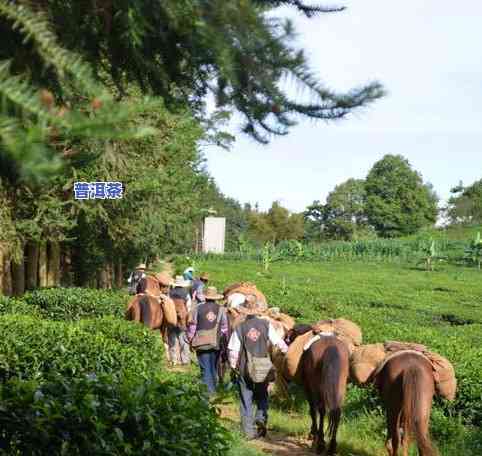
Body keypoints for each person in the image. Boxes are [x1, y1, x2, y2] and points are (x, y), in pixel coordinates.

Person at [228, 294, 288, 440]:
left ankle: (248, 432)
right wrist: (285, 352)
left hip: (245, 368)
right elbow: (280, 344)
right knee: (262, 395)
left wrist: (233, 366)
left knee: (245, 398)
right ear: (257, 309)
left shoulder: (240, 327)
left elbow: (233, 351)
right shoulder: (266, 325)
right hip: (263, 366)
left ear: (244, 310)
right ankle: (261, 417)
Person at [187, 286, 228, 396]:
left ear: (205, 297)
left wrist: (190, 339)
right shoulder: (221, 309)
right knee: (213, 366)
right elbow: (225, 328)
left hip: (201, 342)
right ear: (215, 298)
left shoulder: (198, 308)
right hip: (215, 342)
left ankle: (208, 392)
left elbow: (193, 326)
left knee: (205, 368)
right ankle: (213, 389)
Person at [168, 276, 192, 366]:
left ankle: (173, 359)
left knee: (172, 338)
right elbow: (189, 306)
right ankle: (184, 360)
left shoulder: (170, 292)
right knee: (183, 339)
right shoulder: (186, 293)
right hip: (182, 318)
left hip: (171, 317)